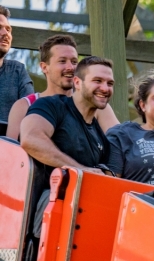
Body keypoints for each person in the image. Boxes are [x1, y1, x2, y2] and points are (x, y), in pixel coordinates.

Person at [21, 56, 114, 236]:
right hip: (42, 212)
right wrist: (80, 170)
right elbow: (30, 139)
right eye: (97, 81)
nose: (105, 88)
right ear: (77, 82)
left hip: (80, 217)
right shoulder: (52, 105)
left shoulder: (101, 139)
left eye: (110, 83)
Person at [0, 6, 33, 133]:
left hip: (10, 148)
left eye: (8, 29)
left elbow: (32, 113)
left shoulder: (17, 71)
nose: (6, 34)